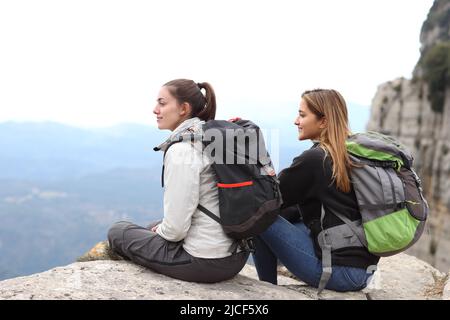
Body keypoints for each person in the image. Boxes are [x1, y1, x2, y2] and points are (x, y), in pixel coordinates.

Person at [107, 79, 249, 283]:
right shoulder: (210, 136)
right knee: (153, 226)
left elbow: (175, 231)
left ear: (183, 108)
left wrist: (163, 231)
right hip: (235, 256)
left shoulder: (182, 149)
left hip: (205, 262)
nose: (155, 110)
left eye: (162, 103)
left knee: (119, 231)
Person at [252, 89, 379, 292]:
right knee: (286, 214)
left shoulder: (314, 160)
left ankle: (268, 291)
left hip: (339, 272)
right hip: (363, 271)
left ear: (323, 121)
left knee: (258, 215)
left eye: (302, 115)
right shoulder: (350, 153)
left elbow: (267, 199)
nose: (296, 121)